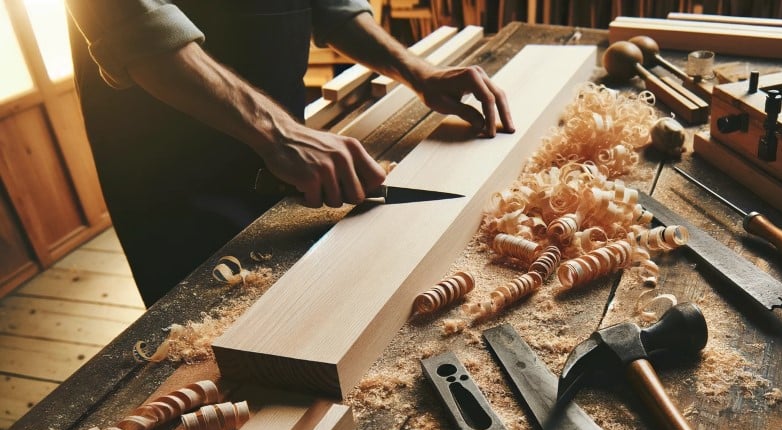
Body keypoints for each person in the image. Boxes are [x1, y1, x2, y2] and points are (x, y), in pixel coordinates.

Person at [66, 1, 515, 306]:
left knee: (304, 291)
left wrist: (417, 71)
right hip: (165, 151)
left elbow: (330, 7)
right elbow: (133, 23)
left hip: (272, 125)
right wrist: (276, 133)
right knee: (210, 318)